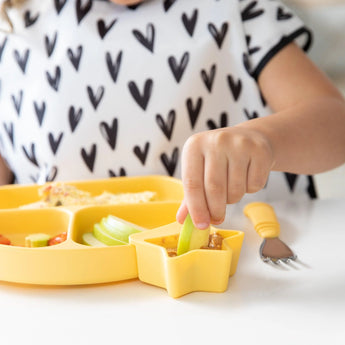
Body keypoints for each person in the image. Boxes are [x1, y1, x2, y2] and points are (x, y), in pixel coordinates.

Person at [0, 0, 344, 229]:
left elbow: (333, 122)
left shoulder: (234, 9)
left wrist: (266, 140)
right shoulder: (16, 21)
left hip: (242, 274)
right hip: (59, 290)